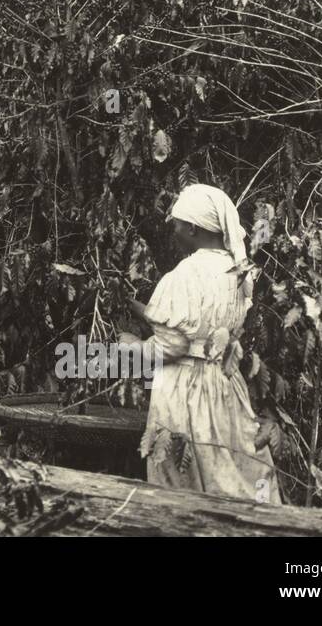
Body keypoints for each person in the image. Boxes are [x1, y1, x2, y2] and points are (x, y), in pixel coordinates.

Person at [127, 183, 282, 503]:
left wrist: (129, 349)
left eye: (177, 225)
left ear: (193, 228)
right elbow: (195, 327)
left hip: (187, 390)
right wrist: (132, 304)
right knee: (232, 473)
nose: (174, 231)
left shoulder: (186, 274)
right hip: (224, 385)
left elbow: (173, 345)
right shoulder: (239, 273)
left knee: (184, 484)